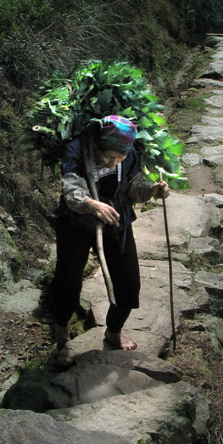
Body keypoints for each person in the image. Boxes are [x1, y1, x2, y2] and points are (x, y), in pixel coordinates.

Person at [51, 115, 169, 351]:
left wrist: (150, 190)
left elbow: (132, 184)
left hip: (116, 218)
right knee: (68, 280)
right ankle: (61, 325)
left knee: (128, 283)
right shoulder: (76, 150)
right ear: (97, 145)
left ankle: (113, 331)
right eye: (110, 157)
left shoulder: (130, 152)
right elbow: (71, 187)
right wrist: (91, 204)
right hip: (77, 222)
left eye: (120, 158)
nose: (115, 163)